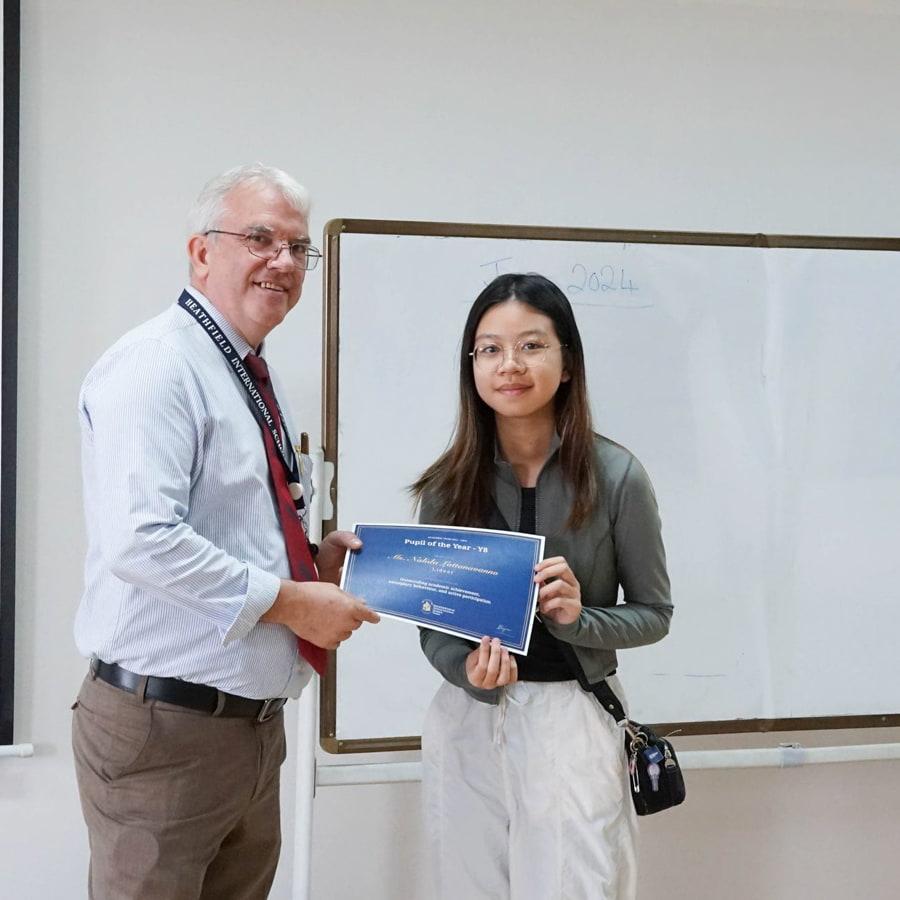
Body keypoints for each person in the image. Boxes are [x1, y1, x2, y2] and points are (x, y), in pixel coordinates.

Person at [71, 163, 380, 899]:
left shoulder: (240, 370)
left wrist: (311, 561)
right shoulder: (157, 367)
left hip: (246, 731)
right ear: (201, 252)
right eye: (260, 238)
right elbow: (141, 539)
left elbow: (234, 523)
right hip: (166, 730)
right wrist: (291, 602)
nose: (282, 261)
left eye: (298, 248)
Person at [411, 272, 673, 900]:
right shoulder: (447, 486)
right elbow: (434, 627)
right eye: (490, 348)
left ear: (567, 362)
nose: (510, 365)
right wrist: (466, 669)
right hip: (469, 721)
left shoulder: (616, 475)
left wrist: (581, 618)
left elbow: (654, 612)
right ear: (472, 364)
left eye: (532, 345)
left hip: (573, 718)